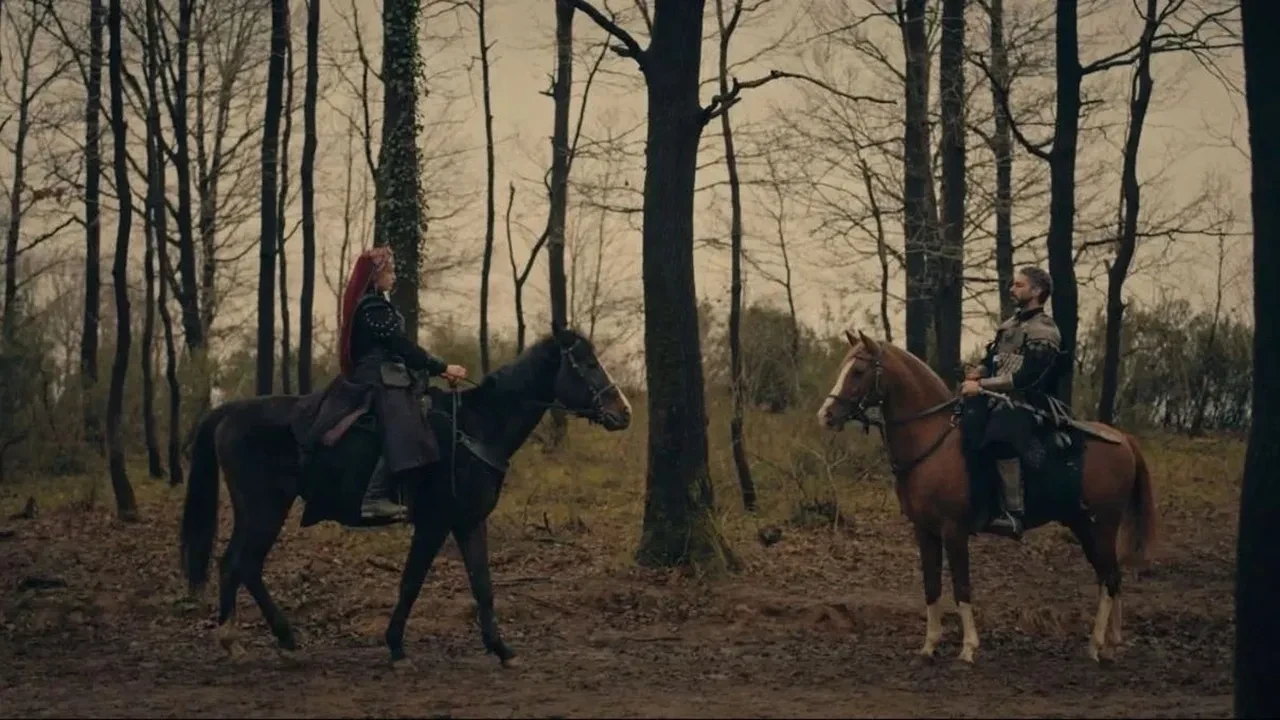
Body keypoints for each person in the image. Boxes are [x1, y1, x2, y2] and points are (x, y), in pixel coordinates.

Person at [338, 246, 467, 521]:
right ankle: (373, 496)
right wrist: (442, 367)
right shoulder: (372, 306)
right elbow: (401, 346)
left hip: (388, 373)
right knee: (403, 422)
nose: (394, 277)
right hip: (376, 377)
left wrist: (433, 370)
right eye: (390, 272)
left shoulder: (377, 304)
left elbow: (401, 350)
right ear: (375, 276)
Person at [959, 266, 1063, 538]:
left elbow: (1027, 378)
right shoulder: (1009, 326)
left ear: (1037, 291)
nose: (1012, 289)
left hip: (1029, 402)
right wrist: (977, 372)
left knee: (1001, 433)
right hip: (995, 397)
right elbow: (990, 361)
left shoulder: (1044, 330)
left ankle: (1014, 514)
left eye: (1018, 285)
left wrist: (981, 385)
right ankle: (975, 501)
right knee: (963, 422)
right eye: (1013, 285)